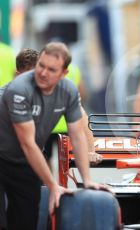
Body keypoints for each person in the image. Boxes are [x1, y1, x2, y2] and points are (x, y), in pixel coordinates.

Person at [0, 42, 109, 230]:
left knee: (25, 222)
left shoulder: (66, 91)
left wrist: (87, 178)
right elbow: (27, 143)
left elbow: (78, 130)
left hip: (27, 163)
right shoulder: (13, 93)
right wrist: (52, 185)